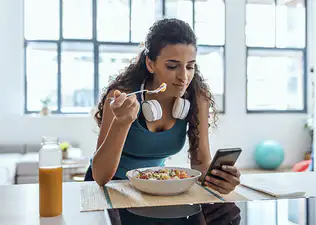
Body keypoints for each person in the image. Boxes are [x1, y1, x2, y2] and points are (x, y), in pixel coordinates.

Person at [84, 18, 241, 195]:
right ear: (151, 64)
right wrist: (122, 122)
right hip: (112, 187)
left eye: (190, 67)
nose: (184, 77)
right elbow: (100, 177)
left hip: (154, 187)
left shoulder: (198, 97)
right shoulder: (121, 98)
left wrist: (220, 180)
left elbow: (200, 163)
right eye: (172, 66)